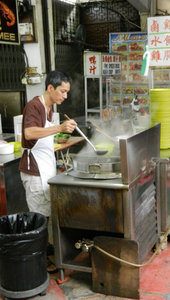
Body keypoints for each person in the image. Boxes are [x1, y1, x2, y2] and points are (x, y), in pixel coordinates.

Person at [19, 70, 77, 272]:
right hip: (35, 170)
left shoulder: (50, 107)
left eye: (67, 92)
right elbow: (29, 132)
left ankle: (45, 247)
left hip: (46, 167)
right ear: (50, 88)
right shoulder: (34, 105)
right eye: (62, 91)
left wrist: (61, 131)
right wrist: (59, 128)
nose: (65, 96)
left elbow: (45, 134)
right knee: (38, 216)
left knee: (47, 213)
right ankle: (38, 259)